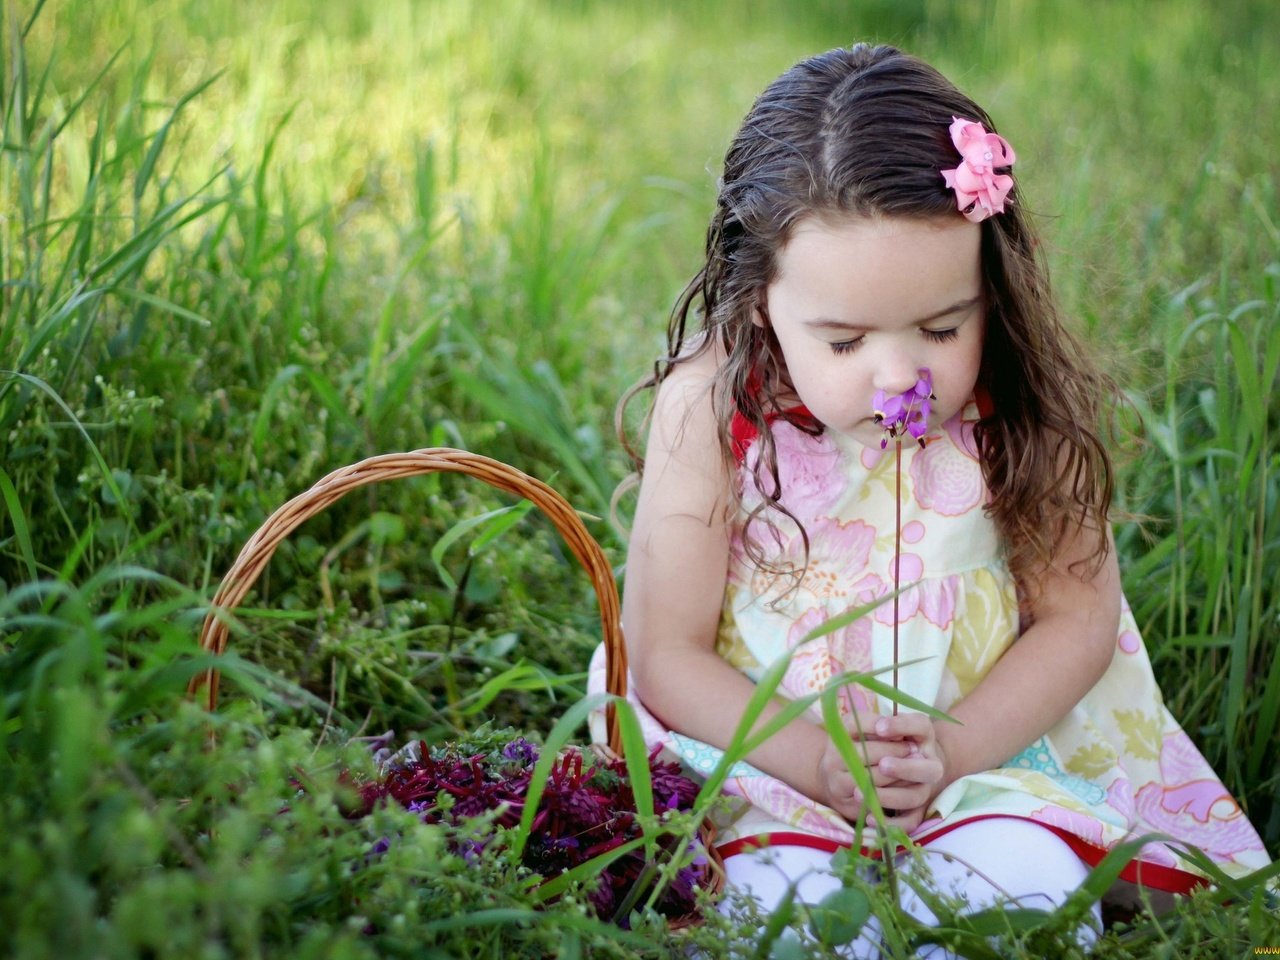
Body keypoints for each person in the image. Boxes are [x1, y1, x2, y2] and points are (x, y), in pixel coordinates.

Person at [589, 42, 1269, 948]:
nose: (898, 375)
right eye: (842, 342)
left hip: (993, 752)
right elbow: (664, 650)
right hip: (771, 762)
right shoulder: (710, 410)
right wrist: (817, 763)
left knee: (1027, 901)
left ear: (992, 291)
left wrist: (952, 752)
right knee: (780, 920)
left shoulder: (1016, 404)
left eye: (944, 327)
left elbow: (1078, 619)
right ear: (759, 304)